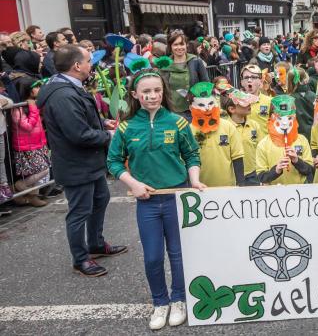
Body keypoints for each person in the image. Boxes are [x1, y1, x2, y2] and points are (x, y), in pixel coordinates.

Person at [107, 69, 206, 330]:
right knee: (152, 257)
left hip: (176, 198)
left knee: (178, 253)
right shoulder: (126, 127)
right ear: (135, 95)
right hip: (147, 202)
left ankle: (179, 299)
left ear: (164, 92)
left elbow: (192, 155)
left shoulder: (178, 123)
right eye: (146, 91)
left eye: (157, 90)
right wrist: (134, 184)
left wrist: (195, 180)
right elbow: (113, 161)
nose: (152, 96)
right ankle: (160, 302)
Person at [36, 44, 126, 277]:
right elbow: (78, 134)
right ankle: (81, 258)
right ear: (77, 65)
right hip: (76, 164)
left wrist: (101, 123)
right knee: (79, 212)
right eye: (88, 61)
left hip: (88, 161)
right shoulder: (63, 95)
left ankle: (95, 243)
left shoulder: (68, 87)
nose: (91, 64)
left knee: (101, 199)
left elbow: (79, 120)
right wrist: (109, 135)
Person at [187, 82, 244, 187]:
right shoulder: (188, 131)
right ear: (191, 108)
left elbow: (237, 157)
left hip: (227, 188)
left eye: (210, 103)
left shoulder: (228, 127)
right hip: (199, 189)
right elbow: (185, 161)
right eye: (201, 105)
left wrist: (241, 185)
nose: (207, 108)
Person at [255, 95, 314, 185]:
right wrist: (276, 170)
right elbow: (261, 177)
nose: (285, 123)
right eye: (279, 118)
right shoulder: (263, 145)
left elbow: (310, 170)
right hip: (274, 192)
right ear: (272, 117)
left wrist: (296, 161)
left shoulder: (302, 140)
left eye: (289, 118)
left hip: (298, 190)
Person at [10, 79, 51, 207]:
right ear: (27, 90)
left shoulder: (33, 104)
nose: (39, 89)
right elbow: (27, 126)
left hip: (38, 143)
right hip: (27, 146)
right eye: (36, 87)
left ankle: (32, 197)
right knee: (43, 170)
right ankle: (20, 185)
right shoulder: (18, 108)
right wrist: (33, 108)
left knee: (37, 171)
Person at [161, 34, 209, 117]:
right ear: (170, 46)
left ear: (186, 45)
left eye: (181, 44)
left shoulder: (195, 61)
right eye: (175, 44)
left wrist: (203, 103)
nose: (179, 47)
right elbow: (162, 88)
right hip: (173, 111)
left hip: (194, 109)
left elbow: (205, 83)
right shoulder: (165, 64)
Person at [222, 89, 261, 186]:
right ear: (232, 109)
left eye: (249, 102)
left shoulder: (254, 125)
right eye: (245, 104)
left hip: (253, 174)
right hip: (233, 175)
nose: (249, 105)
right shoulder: (224, 128)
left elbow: (260, 148)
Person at [239, 64, 272, 139]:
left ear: (260, 81)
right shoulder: (236, 102)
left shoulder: (270, 102)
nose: (249, 80)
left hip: (263, 145)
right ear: (242, 82)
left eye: (253, 77)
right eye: (246, 77)